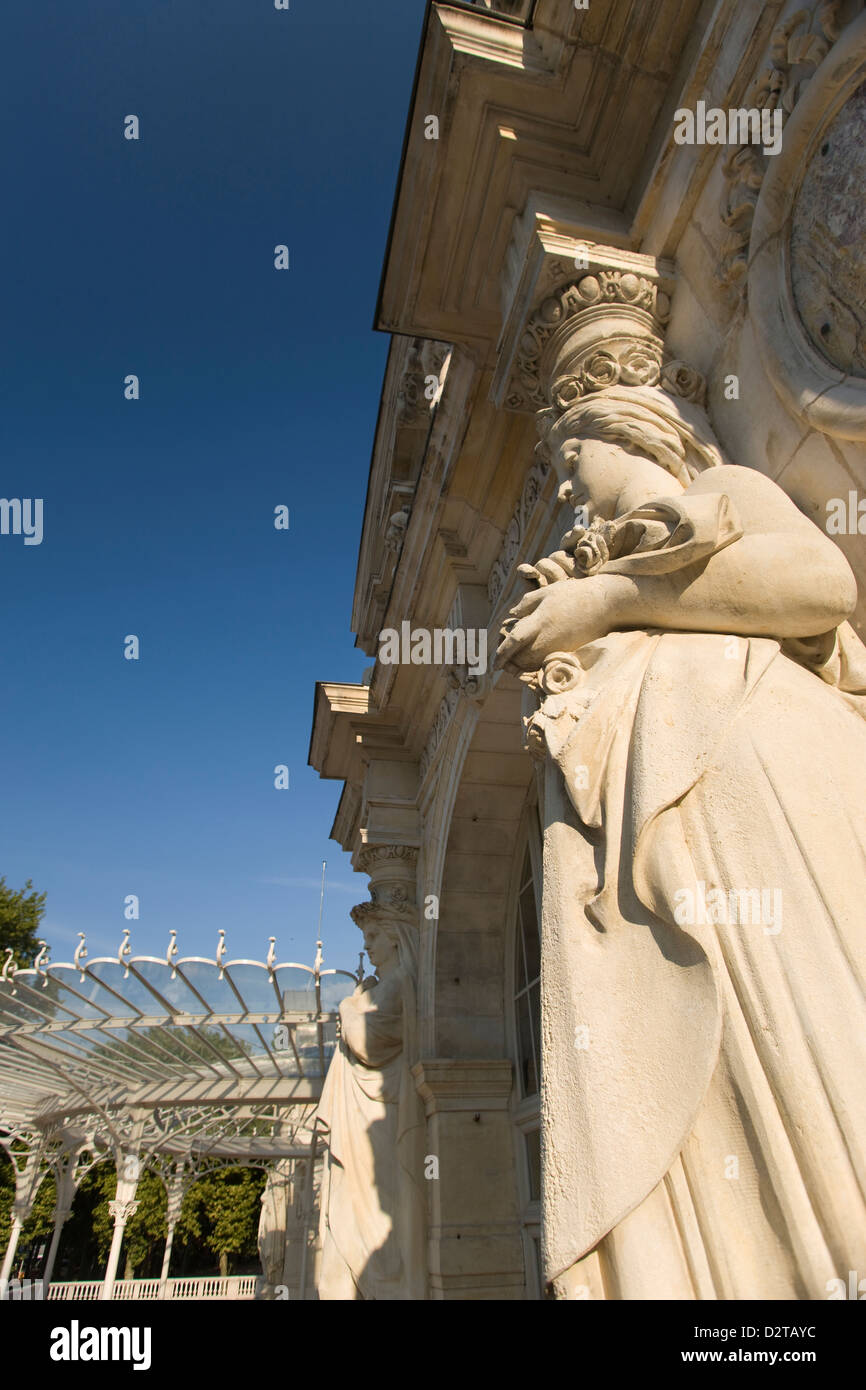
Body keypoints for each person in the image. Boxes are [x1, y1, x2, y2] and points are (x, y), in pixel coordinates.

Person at [497, 383, 866, 1299]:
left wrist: (612, 600)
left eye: (573, 459)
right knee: (701, 1077)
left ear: (629, 431)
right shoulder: (589, 565)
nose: (569, 488)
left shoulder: (723, 490)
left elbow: (823, 587)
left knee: (804, 1021)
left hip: (749, 777)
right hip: (662, 832)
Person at [317, 909, 425, 1299]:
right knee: (353, 1211)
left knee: (380, 1208)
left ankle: (386, 1281)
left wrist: (348, 1006)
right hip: (368, 1113)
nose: (366, 944)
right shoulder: (380, 987)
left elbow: (369, 1041)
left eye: (373, 934)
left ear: (395, 937)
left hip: (381, 1115)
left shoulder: (398, 984)